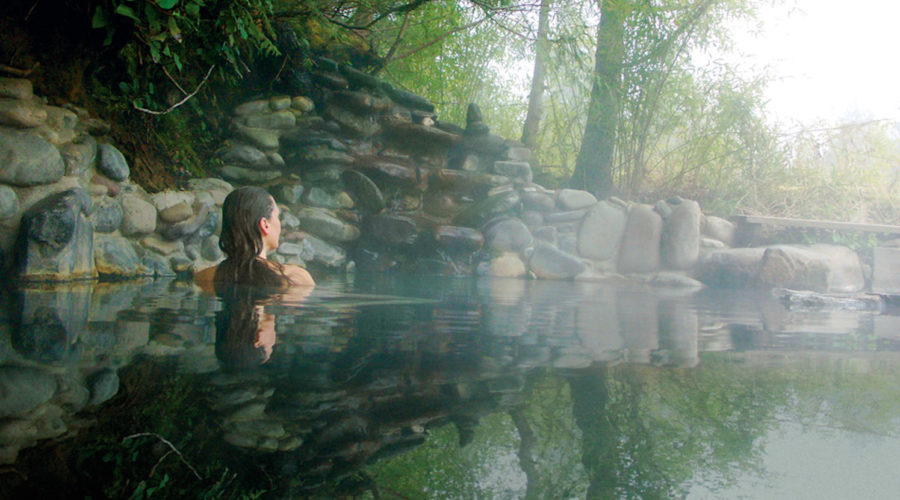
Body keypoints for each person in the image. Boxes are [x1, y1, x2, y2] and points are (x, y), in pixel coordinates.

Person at [195, 186, 315, 292]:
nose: (279, 224)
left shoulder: (203, 278)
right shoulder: (295, 278)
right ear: (265, 225)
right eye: (277, 216)